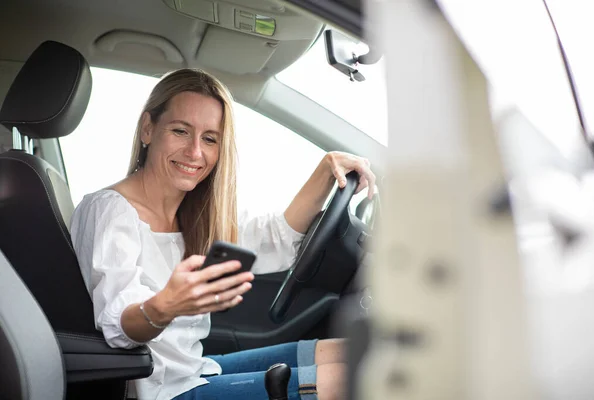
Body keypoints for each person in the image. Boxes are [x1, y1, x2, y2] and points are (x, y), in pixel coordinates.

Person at [70, 69, 376, 400]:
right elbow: (119, 325)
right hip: (158, 390)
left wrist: (326, 169)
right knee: (356, 379)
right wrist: (165, 306)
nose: (195, 152)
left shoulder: (193, 214)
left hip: (193, 369)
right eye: (180, 131)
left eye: (209, 139)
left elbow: (274, 237)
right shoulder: (109, 211)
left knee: (350, 353)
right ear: (148, 129)